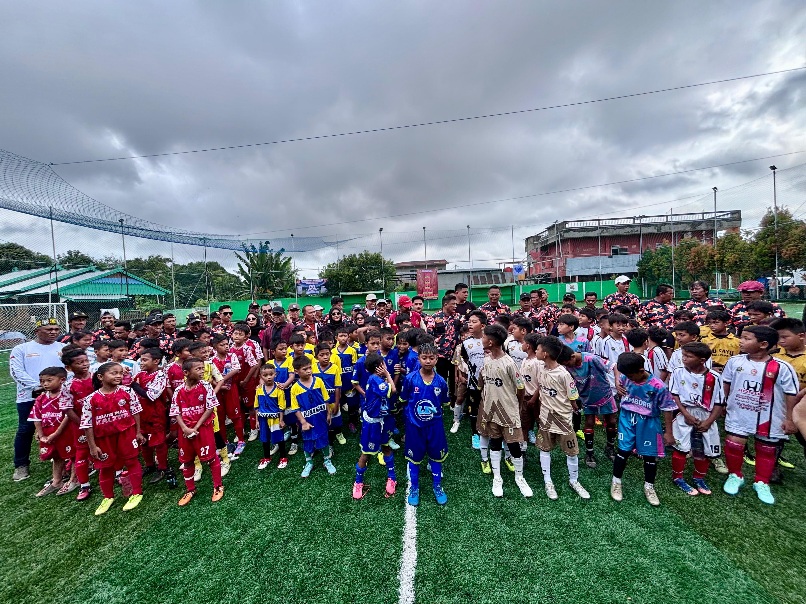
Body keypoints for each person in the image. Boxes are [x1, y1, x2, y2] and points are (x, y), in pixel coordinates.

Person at [721, 326, 799, 505]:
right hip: (739, 411)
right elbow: (725, 384)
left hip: (769, 416)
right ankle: (735, 476)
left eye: (747, 338)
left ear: (763, 344)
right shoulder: (734, 362)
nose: (741, 341)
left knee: (766, 449)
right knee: (733, 444)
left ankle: (761, 482)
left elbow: (791, 394)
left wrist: (789, 418)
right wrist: (724, 403)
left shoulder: (782, 367)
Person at [610, 352, 676, 506]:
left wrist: (668, 432)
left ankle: (649, 486)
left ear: (641, 370)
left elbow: (667, 409)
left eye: (631, 376)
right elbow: (622, 387)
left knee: (649, 456)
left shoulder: (658, 386)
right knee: (623, 451)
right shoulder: (625, 377)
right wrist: (619, 389)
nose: (628, 378)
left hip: (648, 422)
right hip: (627, 418)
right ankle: (616, 482)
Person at [80, 362, 145, 515]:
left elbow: (136, 413)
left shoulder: (127, 391)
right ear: (100, 377)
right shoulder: (91, 399)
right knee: (105, 467)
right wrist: (92, 446)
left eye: (120, 373)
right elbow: (86, 424)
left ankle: (137, 492)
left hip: (126, 433)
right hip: (103, 438)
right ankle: (108, 497)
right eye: (114, 373)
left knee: (131, 461)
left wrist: (138, 432)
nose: (118, 376)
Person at [478, 323, 531, 498]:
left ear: (491, 341)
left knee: (514, 444)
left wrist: (517, 404)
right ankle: (497, 477)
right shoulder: (486, 360)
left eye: (484, 337)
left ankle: (519, 477)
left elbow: (520, 387)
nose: (482, 339)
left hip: (508, 410)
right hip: (491, 410)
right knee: (494, 442)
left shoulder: (508, 363)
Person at [9, 317, 65, 482]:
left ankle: (64, 459)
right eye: (49, 329)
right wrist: (39, 387)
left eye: (56, 329)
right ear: (37, 331)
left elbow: (69, 369)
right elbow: (16, 372)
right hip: (29, 396)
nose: (53, 332)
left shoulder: (63, 348)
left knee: (62, 427)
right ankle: (21, 465)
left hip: (58, 397)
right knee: (26, 429)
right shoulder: (21, 349)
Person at [533, 338, 589, 500]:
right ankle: (547, 481)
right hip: (545, 418)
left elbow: (573, 398)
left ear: (545, 354)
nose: (535, 352)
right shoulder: (541, 368)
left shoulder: (563, 374)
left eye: (538, 349)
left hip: (563, 419)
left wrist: (574, 408)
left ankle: (574, 480)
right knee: (545, 449)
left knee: (571, 452)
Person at [668, 343, 724, 496]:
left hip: (706, 415)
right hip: (684, 413)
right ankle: (678, 477)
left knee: (705, 450)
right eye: (683, 355)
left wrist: (709, 422)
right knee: (681, 447)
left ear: (702, 360)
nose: (684, 358)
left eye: (688, 356)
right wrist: (686, 414)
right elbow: (674, 395)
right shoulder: (678, 372)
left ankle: (699, 478)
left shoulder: (715, 377)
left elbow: (719, 402)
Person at [398, 343, 449, 506]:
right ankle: (414, 487)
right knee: (414, 459)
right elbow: (404, 400)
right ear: (418, 358)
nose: (428, 361)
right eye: (424, 357)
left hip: (435, 427)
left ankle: (437, 486)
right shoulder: (410, 378)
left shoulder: (441, 382)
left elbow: (442, 403)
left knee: (436, 457)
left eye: (431, 358)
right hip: (415, 427)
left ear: (436, 359)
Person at [171, 358, 225, 506]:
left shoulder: (206, 386)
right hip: (185, 431)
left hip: (203, 429)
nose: (202, 371)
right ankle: (190, 489)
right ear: (186, 373)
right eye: (198, 369)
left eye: (203, 368)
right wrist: (185, 428)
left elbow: (209, 408)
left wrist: (196, 427)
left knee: (211, 458)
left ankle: (218, 486)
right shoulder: (178, 390)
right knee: (187, 461)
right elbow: (176, 411)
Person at [562, 346, 619, 468]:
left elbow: (613, 366)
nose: (568, 366)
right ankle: (589, 453)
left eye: (568, 363)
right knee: (589, 423)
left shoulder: (591, 359)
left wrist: (617, 382)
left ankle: (610, 447)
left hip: (605, 395)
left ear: (573, 357)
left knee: (612, 421)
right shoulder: (566, 366)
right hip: (586, 397)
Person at [353, 352, 397, 499]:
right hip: (373, 424)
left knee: (386, 447)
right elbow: (394, 389)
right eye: (383, 364)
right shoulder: (376, 381)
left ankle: (392, 477)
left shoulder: (375, 379)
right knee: (366, 453)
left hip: (381, 421)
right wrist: (388, 374)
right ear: (380, 367)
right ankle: (358, 482)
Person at [769, 318, 806, 482]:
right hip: (777, 404)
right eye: (778, 338)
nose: (781, 341)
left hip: (801, 405)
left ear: (801, 336)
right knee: (774, 437)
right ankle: (772, 467)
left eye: (785, 337)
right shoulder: (774, 355)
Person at [131, 348, 175, 487]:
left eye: (144, 360)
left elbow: (151, 396)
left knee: (158, 442)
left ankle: (162, 467)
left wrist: (132, 384)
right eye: (140, 360)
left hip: (155, 414)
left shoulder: (160, 376)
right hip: (140, 414)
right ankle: (149, 465)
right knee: (143, 440)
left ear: (156, 361)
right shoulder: (139, 375)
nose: (141, 362)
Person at [28, 366, 73, 497]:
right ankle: (56, 481)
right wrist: (41, 434)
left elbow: (68, 415)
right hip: (48, 433)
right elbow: (36, 417)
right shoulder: (41, 398)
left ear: (62, 380)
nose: (45, 384)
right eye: (42, 381)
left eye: (49, 380)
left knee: (73, 454)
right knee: (56, 456)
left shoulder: (66, 395)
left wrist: (57, 432)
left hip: (66, 431)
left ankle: (73, 480)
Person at [289, 355, 336, 478]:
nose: (309, 371)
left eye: (310, 368)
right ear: (296, 371)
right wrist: (303, 422)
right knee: (308, 441)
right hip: (307, 421)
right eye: (305, 369)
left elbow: (326, 399)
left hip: (320, 418)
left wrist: (329, 413)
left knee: (323, 439)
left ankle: (327, 460)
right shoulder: (294, 388)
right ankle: (309, 462)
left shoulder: (318, 381)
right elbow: (295, 408)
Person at [60, 347, 95, 499]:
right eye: (79, 363)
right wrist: (83, 424)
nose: (84, 364)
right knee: (81, 454)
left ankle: (117, 474)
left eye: (86, 361)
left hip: (103, 422)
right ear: (68, 367)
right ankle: (84, 485)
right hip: (81, 426)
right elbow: (67, 409)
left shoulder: (97, 378)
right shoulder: (68, 386)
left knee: (108, 448)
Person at [210, 334, 245, 456]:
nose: (226, 347)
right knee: (220, 417)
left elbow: (236, 369)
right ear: (215, 347)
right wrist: (219, 384)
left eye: (227, 344)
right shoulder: (211, 360)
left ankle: (241, 440)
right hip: (219, 391)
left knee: (235, 415)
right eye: (222, 345)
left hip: (231, 389)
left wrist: (221, 380)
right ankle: (224, 442)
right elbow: (210, 377)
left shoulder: (232, 356)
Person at [460, 310, 487, 449]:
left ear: (482, 325)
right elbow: (464, 357)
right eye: (469, 321)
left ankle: (492, 433)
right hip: (473, 382)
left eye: (474, 322)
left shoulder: (490, 340)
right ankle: (475, 434)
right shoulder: (466, 343)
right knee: (474, 409)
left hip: (490, 383)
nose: (470, 324)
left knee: (490, 408)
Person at [427, 294, 461, 403]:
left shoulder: (458, 317)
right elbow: (429, 334)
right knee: (441, 377)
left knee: (453, 378)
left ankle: (453, 400)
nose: (455, 306)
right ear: (445, 304)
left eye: (456, 304)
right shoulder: (435, 317)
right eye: (453, 304)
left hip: (454, 355)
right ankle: (440, 399)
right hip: (440, 355)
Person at [254, 364, 288, 470]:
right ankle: (266, 457)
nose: (268, 377)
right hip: (263, 419)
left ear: (275, 374)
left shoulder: (279, 390)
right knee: (265, 439)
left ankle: (283, 457)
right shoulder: (259, 390)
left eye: (271, 374)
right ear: (261, 376)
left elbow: (281, 407)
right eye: (265, 375)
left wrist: (281, 420)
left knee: (279, 438)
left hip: (275, 419)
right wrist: (257, 421)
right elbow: (256, 406)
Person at [314, 343, 345, 448]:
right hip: (320, 402)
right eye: (322, 355)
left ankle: (338, 433)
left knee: (336, 418)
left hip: (332, 399)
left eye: (327, 354)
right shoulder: (313, 368)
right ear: (316, 356)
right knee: (323, 420)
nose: (325, 357)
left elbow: (337, 387)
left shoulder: (335, 368)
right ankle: (326, 438)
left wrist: (337, 404)